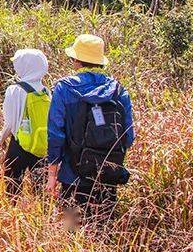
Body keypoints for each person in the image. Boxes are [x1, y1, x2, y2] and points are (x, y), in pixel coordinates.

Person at [46, 34, 135, 222]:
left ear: (76, 60)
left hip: (72, 175)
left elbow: (55, 135)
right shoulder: (119, 90)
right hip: (108, 176)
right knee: (104, 233)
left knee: (72, 234)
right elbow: (128, 137)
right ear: (100, 61)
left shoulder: (64, 88)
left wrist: (52, 175)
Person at [0, 49, 51, 198]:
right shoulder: (46, 91)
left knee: (12, 184)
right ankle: (42, 217)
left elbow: (10, 123)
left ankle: (14, 215)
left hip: (20, 144)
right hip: (41, 144)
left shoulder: (15, 90)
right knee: (40, 191)